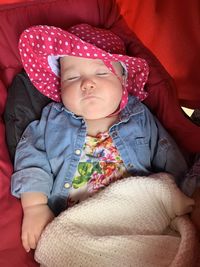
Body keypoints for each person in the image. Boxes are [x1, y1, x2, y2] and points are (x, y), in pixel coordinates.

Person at [11, 24, 189, 253]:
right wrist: (35, 206)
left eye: (101, 72)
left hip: (140, 215)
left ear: (123, 81)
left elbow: (166, 153)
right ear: (59, 86)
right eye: (72, 77)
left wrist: (180, 193)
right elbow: (31, 158)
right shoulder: (52, 121)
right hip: (77, 224)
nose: (86, 83)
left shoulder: (139, 116)